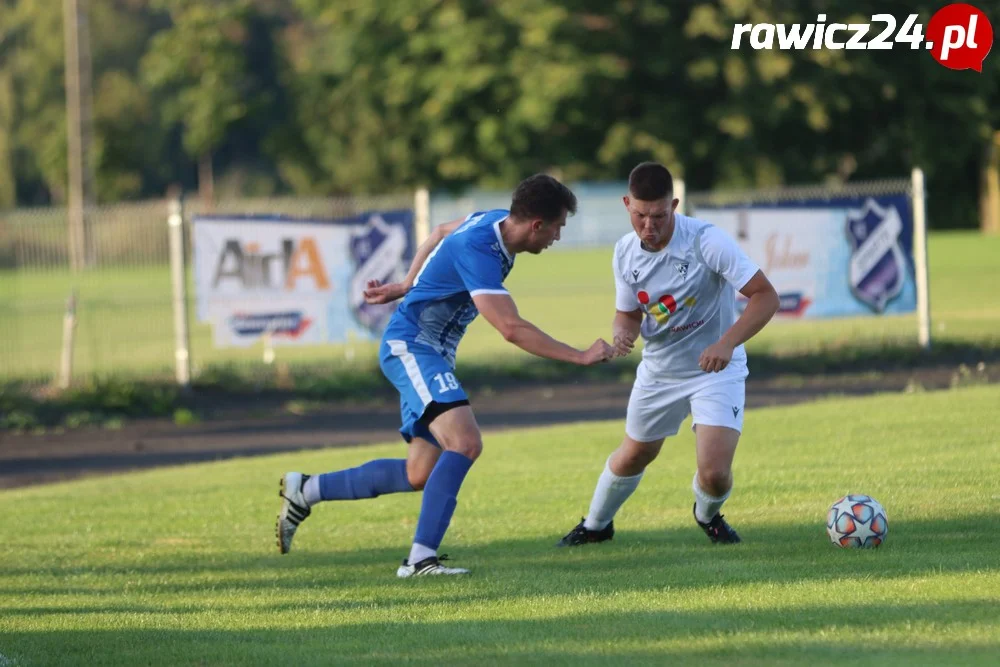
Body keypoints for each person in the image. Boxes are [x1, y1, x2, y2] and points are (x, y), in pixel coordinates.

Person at [276, 174, 614, 576]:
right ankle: (420, 559)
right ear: (537, 224)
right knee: (466, 442)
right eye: (558, 226)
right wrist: (578, 356)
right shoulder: (481, 249)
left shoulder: (491, 221)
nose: (558, 236)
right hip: (413, 347)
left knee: (419, 472)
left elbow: (438, 231)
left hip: (427, 352)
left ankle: (307, 489)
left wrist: (406, 283)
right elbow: (510, 328)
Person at [557, 162, 779, 548]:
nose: (649, 226)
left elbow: (766, 296)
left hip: (715, 370)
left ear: (674, 205)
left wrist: (726, 343)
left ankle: (707, 516)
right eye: (640, 215)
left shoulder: (706, 241)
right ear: (627, 204)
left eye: (659, 215)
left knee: (714, 474)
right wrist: (622, 335)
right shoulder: (624, 252)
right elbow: (628, 313)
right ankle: (596, 526)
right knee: (633, 455)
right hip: (659, 372)